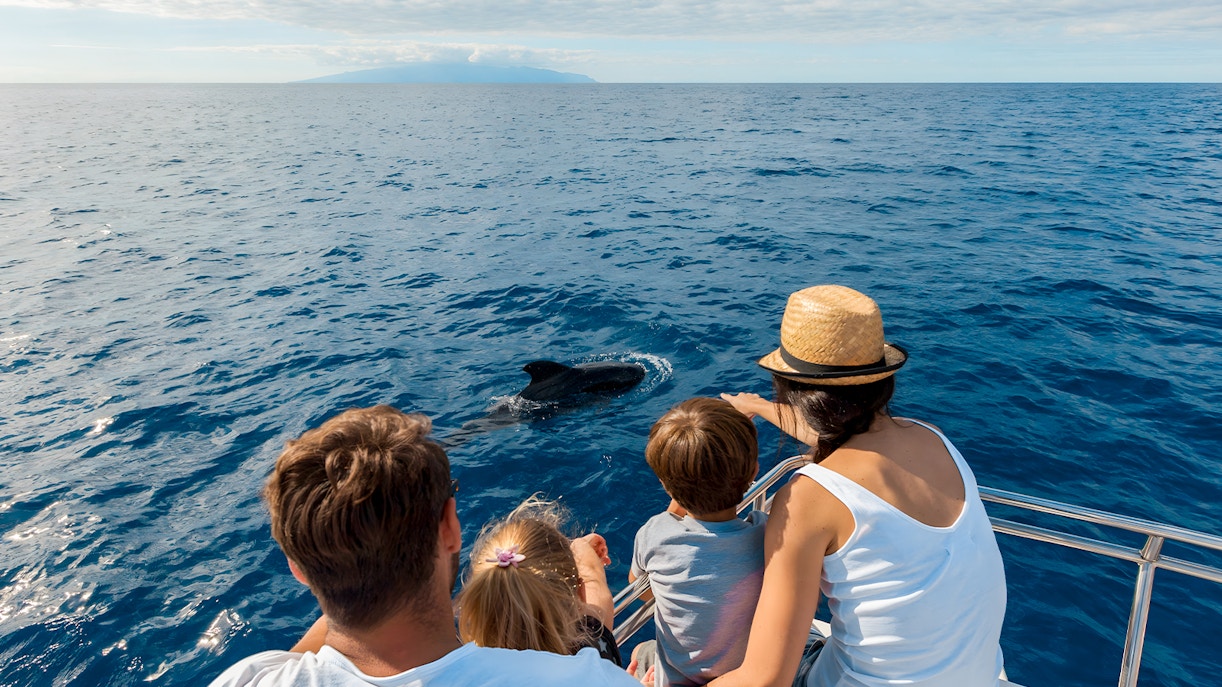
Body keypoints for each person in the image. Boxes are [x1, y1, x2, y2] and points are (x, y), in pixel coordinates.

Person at [207, 405, 643, 687]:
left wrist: (342, 559)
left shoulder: (247, 679)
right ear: (450, 527)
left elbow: (297, 661)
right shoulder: (592, 681)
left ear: (297, 569)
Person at [713, 285, 1007, 687]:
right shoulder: (932, 438)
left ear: (793, 387)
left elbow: (766, 679)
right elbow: (844, 436)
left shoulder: (807, 499)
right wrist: (759, 407)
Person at [628, 397, 766, 687]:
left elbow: (640, 591)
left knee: (640, 651)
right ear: (754, 472)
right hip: (750, 674)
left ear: (666, 485)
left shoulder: (655, 533)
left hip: (679, 680)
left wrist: (683, 480)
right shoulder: (765, 533)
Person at [456, 496, 623, 666]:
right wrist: (580, 546)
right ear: (579, 594)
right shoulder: (593, 654)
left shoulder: (467, 675)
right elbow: (595, 583)